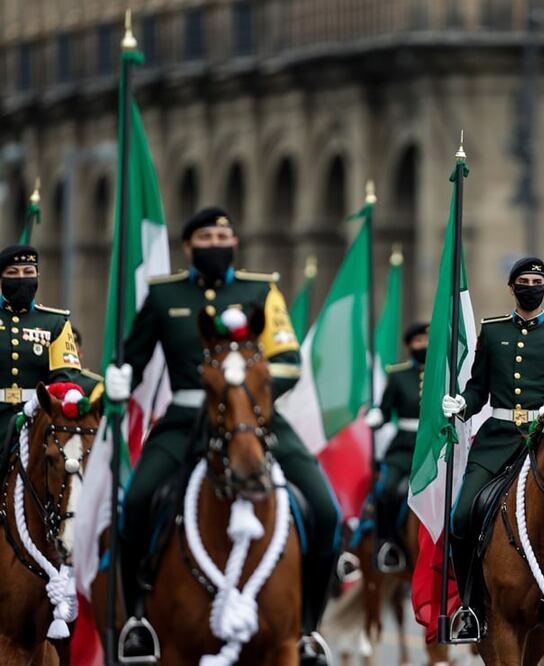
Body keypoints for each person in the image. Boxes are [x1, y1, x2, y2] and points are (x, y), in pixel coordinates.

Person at [104, 207, 340, 665]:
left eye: (223, 235)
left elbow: (289, 359)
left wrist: (250, 390)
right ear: (189, 246)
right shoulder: (164, 295)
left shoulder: (260, 290)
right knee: (135, 503)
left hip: (253, 417)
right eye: (206, 237)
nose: (216, 243)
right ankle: (138, 621)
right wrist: (114, 380)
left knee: (326, 510)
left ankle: (308, 626)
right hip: (186, 417)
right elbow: (131, 358)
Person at [440, 256, 544, 642]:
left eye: (538, 280)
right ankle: (470, 604)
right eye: (524, 280)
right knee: (462, 514)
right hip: (497, 439)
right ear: (512, 287)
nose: (531, 285)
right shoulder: (492, 332)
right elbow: (478, 387)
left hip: (543, 442)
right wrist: (463, 404)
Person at [0, 244, 84, 444]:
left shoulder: (56, 323)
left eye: (28, 272)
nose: (21, 277)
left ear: (37, 275)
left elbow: (65, 377)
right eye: (13, 272)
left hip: (37, 421)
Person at [365, 321, 428, 573]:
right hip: (404, 446)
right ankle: (387, 544)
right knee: (386, 489)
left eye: (426, 341)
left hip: (433, 446)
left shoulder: (443, 374)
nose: (422, 345)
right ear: (409, 346)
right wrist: (377, 417)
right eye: (417, 342)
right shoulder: (398, 374)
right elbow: (384, 409)